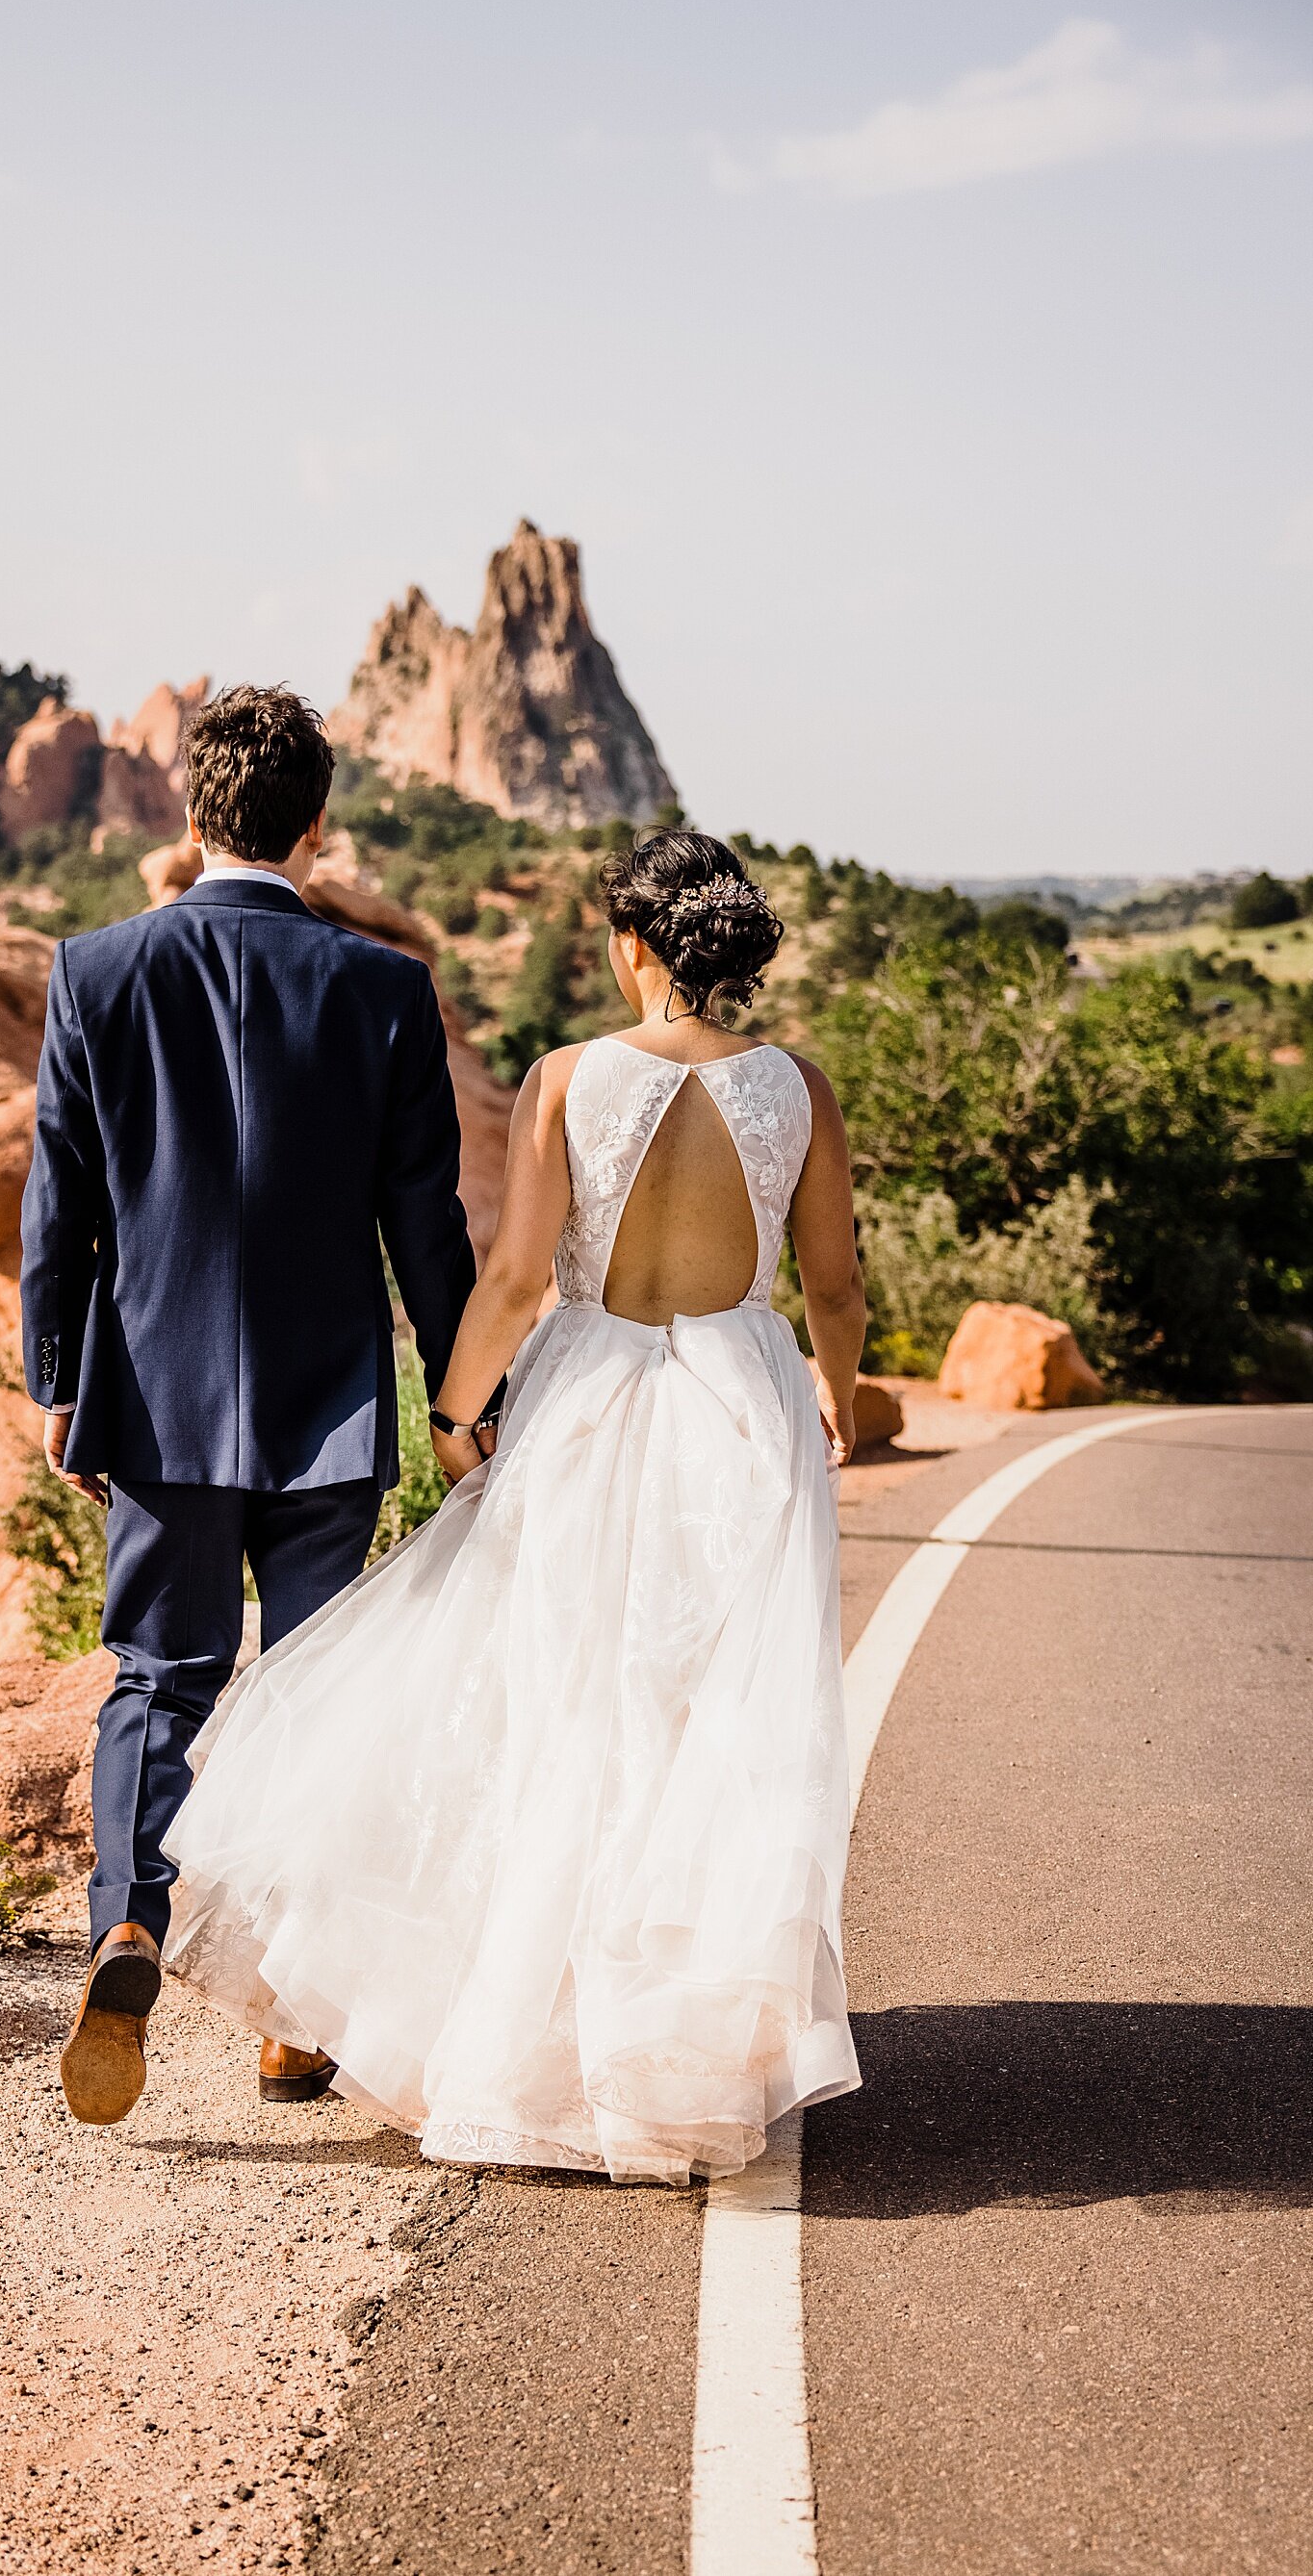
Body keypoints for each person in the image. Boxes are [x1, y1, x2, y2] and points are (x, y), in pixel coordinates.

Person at [162, 829, 866, 2183]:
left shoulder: (566, 1080)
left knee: (563, 1707)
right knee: (710, 1724)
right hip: (739, 1409)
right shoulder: (801, 1092)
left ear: (634, 946)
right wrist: (840, 1390)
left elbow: (509, 1280)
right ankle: (679, 2049)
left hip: (590, 1402)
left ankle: (535, 2041)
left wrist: (455, 1412)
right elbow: (831, 1282)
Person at [19, 685, 478, 2126]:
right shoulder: (385, 989)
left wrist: (55, 1377)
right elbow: (429, 1226)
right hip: (330, 1402)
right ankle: (294, 2018)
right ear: (317, 820)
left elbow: (62, 1206)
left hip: (153, 1397)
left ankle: (130, 1922)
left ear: (188, 811)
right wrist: (465, 1397)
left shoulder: (96, 971)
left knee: (161, 1676)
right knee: (320, 1698)